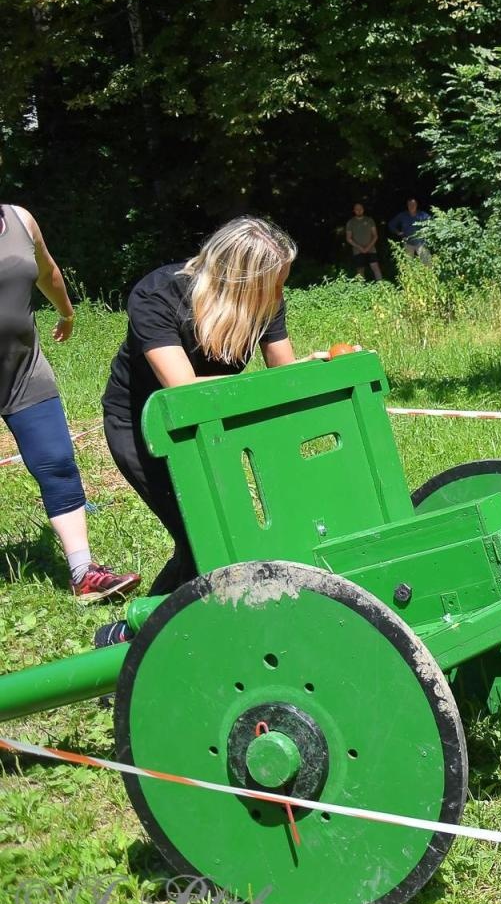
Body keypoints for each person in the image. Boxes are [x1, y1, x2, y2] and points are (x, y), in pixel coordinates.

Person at [100, 217, 298, 605]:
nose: (280, 292)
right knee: (198, 538)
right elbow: (183, 391)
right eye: (273, 284)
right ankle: (136, 633)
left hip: (211, 427)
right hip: (143, 424)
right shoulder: (158, 295)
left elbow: (285, 375)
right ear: (240, 279)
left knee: (228, 533)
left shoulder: (265, 301)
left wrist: (320, 369)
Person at [0, 203, 139, 602]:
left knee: (57, 462)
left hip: (23, 370)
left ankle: (83, 572)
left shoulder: (20, 220)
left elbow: (47, 270)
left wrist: (66, 312)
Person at [344, 202, 383, 281]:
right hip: (357, 250)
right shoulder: (350, 222)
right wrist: (360, 248)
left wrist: (368, 247)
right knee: (360, 270)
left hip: (371, 249)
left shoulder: (369, 220)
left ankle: (382, 287)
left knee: (375, 267)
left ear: (363, 210)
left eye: (360, 209)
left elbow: (375, 235)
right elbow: (348, 238)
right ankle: (361, 290)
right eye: (356, 209)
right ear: (354, 210)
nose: (359, 210)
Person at [388, 198, 432, 262]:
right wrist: (398, 232)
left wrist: (427, 233)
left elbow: (432, 223)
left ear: (416, 205)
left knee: (427, 263)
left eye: (413, 204)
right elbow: (391, 224)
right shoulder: (402, 215)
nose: (412, 206)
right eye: (410, 204)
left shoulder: (423, 215)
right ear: (407, 205)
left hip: (421, 243)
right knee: (409, 264)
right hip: (407, 243)